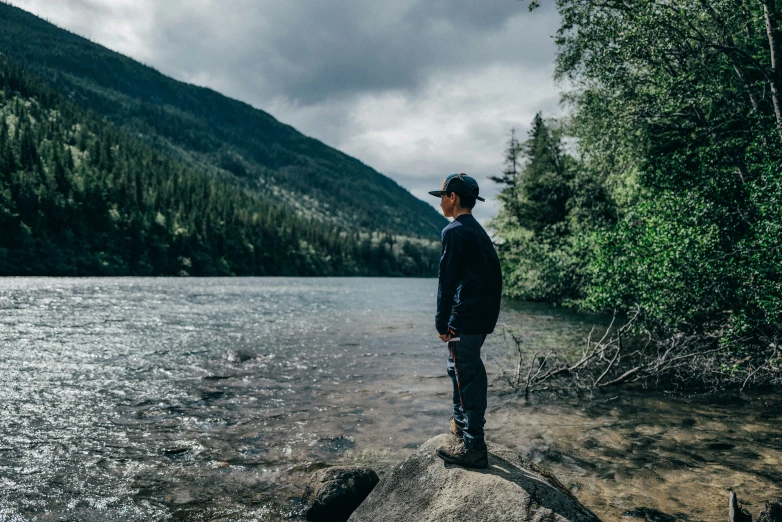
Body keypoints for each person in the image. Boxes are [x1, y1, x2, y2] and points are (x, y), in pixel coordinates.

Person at [428, 173, 502, 469]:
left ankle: (474, 445)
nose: (441, 201)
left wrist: (441, 322)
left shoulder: (454, 230)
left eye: (443, 196)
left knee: (465, 374)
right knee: (459, 368)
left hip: (466, 316)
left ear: (453, 197)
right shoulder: (476, 230)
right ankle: (460, 426)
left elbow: (446, 281)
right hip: (480, 316)